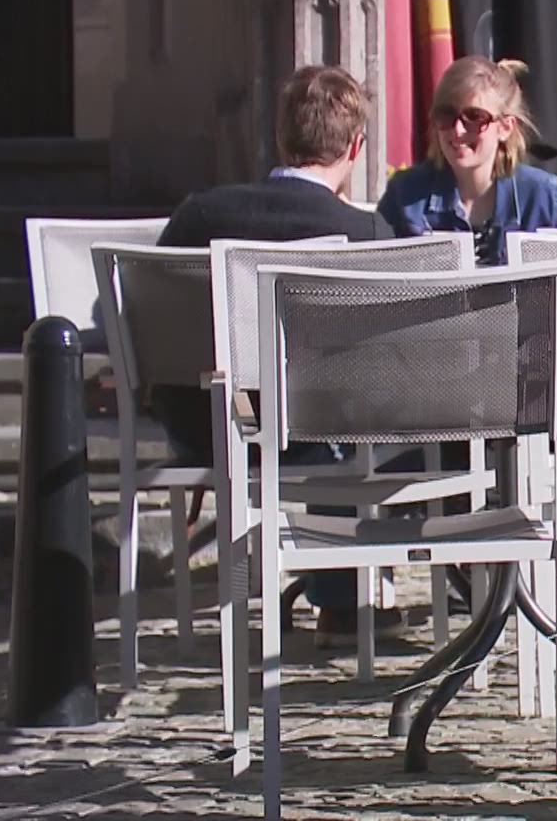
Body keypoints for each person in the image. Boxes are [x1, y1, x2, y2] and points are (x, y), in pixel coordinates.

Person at [156, 64, 399, 643]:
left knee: (330, 409)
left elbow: (157, 318)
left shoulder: (200, 216)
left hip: (207, 430)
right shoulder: (367, 234)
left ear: (280, 138)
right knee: (358, 413)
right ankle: (349, 600)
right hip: (318, 437)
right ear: (356, 148)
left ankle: (335, 598)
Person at [376, 55, 557, 264]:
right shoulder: (404, 196)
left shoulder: (546, 200)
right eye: (446, 115)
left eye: (475, 117)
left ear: (505, 127)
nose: (458, 130)